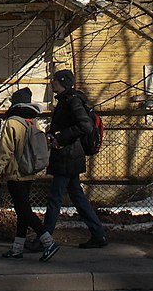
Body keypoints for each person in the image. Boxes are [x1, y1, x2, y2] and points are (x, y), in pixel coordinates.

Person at [0, 87, 60, 261]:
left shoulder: (12, 123)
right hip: (29, 171)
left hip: (15, 173)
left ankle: (48, 241)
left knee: (24, 210)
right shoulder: (31, 122)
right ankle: (17, 249)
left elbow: (5, 151)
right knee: (22, 212)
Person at [43, 69, 107, 248]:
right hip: (69, 155)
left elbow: (85, 125)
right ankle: (98, 234)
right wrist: (51, 134)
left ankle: (44, 239)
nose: (51, 82)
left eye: (54, 80)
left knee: (55, 198)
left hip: (67, 156)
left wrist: (61, 139)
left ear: (62, 82)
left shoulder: (72, 101)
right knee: (77, 197)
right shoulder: (66, 101)